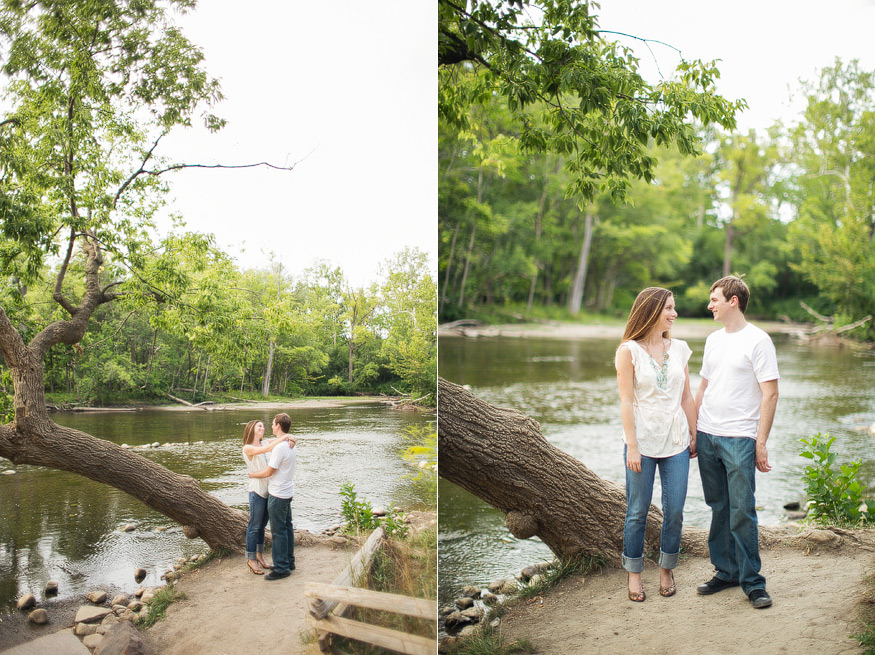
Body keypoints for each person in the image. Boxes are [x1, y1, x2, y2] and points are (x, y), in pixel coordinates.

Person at [694, 276, 779, 610]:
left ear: (733, 301)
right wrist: (693, 430)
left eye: (714, 299)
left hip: (740, 437)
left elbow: (770, 393)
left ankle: (753, 583)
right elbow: (703, 387)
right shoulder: (713, 340)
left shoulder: (759, 341)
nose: (709, 305)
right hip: (707, 434)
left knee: (742, 510)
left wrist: (761, 442)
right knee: (718, 507)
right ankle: (726, 571)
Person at [615, 287, 697, 602]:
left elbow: (686, 396)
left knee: (674, 510)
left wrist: (694, 433)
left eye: (674, 308)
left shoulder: (680, 349)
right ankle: (634, 574)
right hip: (642, 441)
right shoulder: (628, 351)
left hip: (676, 440)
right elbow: (626, 402)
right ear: (651, 310)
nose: (674, 314)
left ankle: (666, 569)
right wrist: (632, 446)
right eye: (669, 308)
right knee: (637, 511)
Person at [248, 412, 297, 580]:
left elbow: (269, 471)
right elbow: (268, 446)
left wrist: (253, 475)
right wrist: (290, 437)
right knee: (287, 527)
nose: (270, 426)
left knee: (278, 531)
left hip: (277, 494)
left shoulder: (280, 447)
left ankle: (282, 568)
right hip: (287, 492)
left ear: (278, 426)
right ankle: (289, 561)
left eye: (273, 424)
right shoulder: (289, 445)